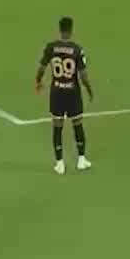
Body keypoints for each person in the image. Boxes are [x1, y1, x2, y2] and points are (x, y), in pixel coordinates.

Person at [34, 16, 93, 173]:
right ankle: (81, 159)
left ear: (59, 30)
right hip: (73, 93)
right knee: (77, 124)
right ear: (71, 30)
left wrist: (38, 81)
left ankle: (59, 163)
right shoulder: (77, 49)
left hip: (57, 93)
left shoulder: (51, 47)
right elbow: (83, 75)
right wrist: (88, 89)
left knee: (57, 126)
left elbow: (41, 67)